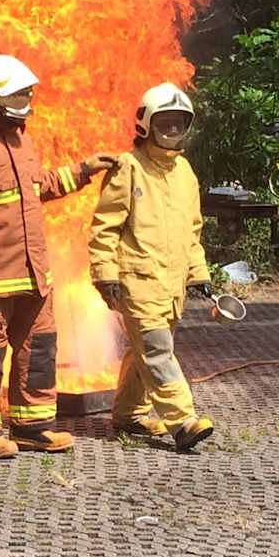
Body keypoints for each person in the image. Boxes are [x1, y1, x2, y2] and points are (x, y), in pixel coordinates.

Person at [0, 53, 117, 458]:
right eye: (17, 93)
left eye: (27, 92)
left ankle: (33, 426)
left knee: (38, 349)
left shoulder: (22, 142)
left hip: (33, 276)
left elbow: (42, 186)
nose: (25, 99)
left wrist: (84, 169)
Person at [87, 81, 214, 451]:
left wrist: (198, 273)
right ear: (145, 124)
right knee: (157, 351)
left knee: (144, 351)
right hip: (137, 282)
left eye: (179, 123)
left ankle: (129, 414)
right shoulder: (129, 167)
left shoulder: (184, 171)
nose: (172, 131)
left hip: (171, 287)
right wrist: (105, 274)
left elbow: (192, 230)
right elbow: (105, 227)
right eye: (165, 123)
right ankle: (183, 420)